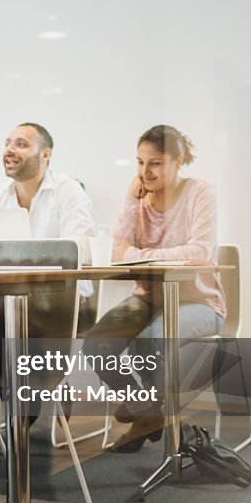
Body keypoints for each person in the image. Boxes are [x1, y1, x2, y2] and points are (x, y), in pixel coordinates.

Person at [83, 124, 225, 452]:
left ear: (179, 161)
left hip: (201, 302)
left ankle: (149, 414)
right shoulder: (140, 200)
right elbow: (117, 246)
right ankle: (146, 408)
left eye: (155, 163)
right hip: (149, 298)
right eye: (139, 162)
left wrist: (136, 254)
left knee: (154, 335)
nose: (145, 172)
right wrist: (131, 201)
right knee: (96, 344)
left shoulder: (199, 192)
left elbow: (199, 253)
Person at [0, 122, 95, 300]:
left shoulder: (68, 190)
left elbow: (83, 250)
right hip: (7, 296)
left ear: (46, 154)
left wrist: (22, 260)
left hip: (63, 297)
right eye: (7, 144)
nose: (9, 150)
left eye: (21, 144)